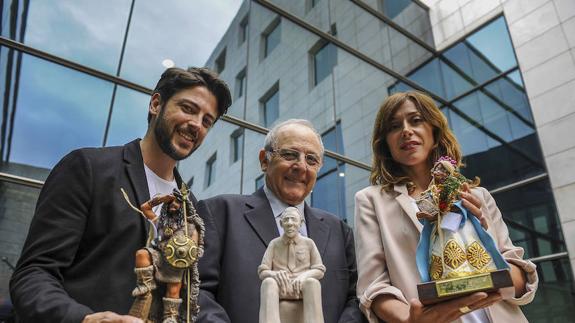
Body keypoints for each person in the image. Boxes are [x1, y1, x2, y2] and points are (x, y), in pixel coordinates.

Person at [9, 67, 231, 323]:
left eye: (207, 121)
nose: (196, 125)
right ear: (156, 104)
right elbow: (33, 274)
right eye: (188, 109)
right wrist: (86, 319)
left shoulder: (190, 207)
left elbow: (191, 294)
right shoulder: (88, 168)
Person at [354, 91, 538, 323]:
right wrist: (410, 320)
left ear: (434, 129)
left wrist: (481, 239)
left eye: (416, 120)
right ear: (385, 143)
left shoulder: (476, 196)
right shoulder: (371, 201)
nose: (406, 130)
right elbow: (373, 287)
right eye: (393, 126)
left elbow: (520, 276)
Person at [197, 119, 366, 323]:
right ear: (264, 160)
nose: (301, 166)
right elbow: (198, 291)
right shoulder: (219, 213)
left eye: (311, 160)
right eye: (289, 154)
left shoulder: (340, 230)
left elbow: (356, 299)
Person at [258, 207, 325, 323]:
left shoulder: (309, 243)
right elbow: (262, 271)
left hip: (301, 287)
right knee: (268, 282)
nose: (290, 223)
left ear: (301, 223)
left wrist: (304, 276)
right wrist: (274, 274)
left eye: (293, 219)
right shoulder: (274, 244)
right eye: (286, 220)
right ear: (281, 223)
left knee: (313, 283)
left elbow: (319, 269)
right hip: (281, 287)